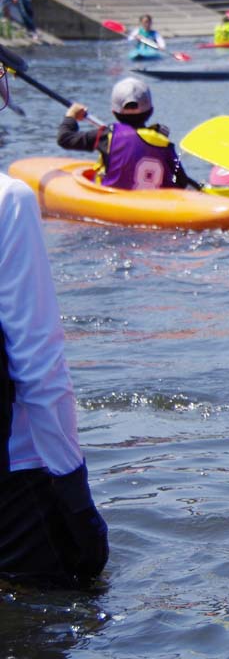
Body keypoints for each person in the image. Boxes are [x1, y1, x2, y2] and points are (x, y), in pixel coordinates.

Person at [0, 170, 109, 582]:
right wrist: (74, 492)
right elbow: (38, 361)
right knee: (73, 603)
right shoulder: (9, 199)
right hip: (16, 473)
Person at [57, 77, 188, 190]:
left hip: (114, 202)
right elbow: (181, 182)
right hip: (154, 205)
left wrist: (71, 115)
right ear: (151, 111)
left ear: (113, 112)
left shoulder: (107, 136)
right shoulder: (163, 141)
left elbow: (65, 138)